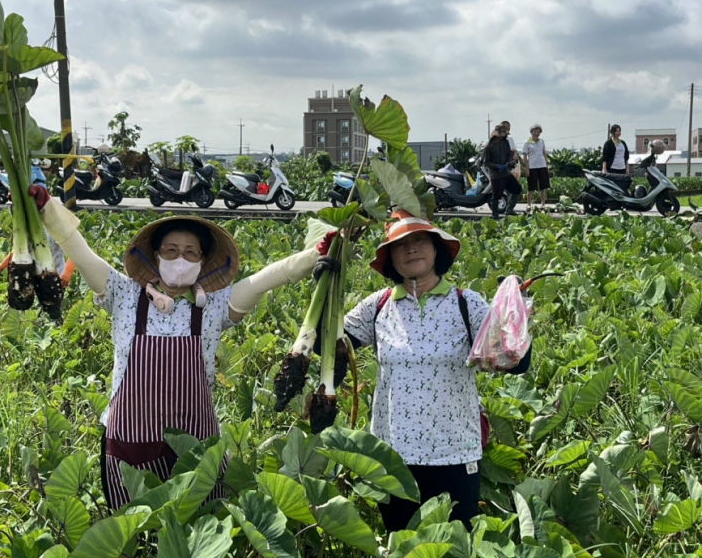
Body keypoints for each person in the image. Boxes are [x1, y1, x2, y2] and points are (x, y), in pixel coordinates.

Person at [26, 185, 330, 509]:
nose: (180, 259)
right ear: (155, 256)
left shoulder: (213, 306)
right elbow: (82, 255)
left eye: (190, 252)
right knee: (134, 528)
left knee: (195, 525)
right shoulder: (125, 295)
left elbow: (264, 281)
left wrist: (313, 256)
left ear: (202, 260)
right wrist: (49, 211)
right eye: (170, 250)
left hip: (194, 445)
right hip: (131, 442)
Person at [340, 210, 531, 532]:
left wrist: (517, 313)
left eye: (419, 241)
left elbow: (515, 363)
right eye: (400, 245)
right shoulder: (379, 305)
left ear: (436, 249)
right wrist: (325, 280)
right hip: (394, 453)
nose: (410, 249)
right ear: (390, 259)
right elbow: (330, 348)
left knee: (456, 543)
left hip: (454, 451)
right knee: (402, 545)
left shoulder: (465, 303)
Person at [482, 124, 522, 219]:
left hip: (506, 173)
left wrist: (510, 162)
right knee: (496, 196)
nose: (505, 135)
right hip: (496, 175)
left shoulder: (505, 143)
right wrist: (497, 166)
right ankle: (495, 215)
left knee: (517, 189)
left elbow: (509, 154)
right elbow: (486, 162)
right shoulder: (488, 146)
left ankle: (509, 210)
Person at [522, 123, 550, 212]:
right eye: (534, 132)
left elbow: (544, 153)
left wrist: (546, 165)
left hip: (542, 166)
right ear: (531, 132)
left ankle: (543, 204)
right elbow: (525, 157)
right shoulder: (527, 142)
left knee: (543, 186)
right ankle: (529, 205)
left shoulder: (542, 141)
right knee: (531, 187)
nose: (536, 133)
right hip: (532, 167)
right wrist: (527, 168)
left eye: (538, 132)